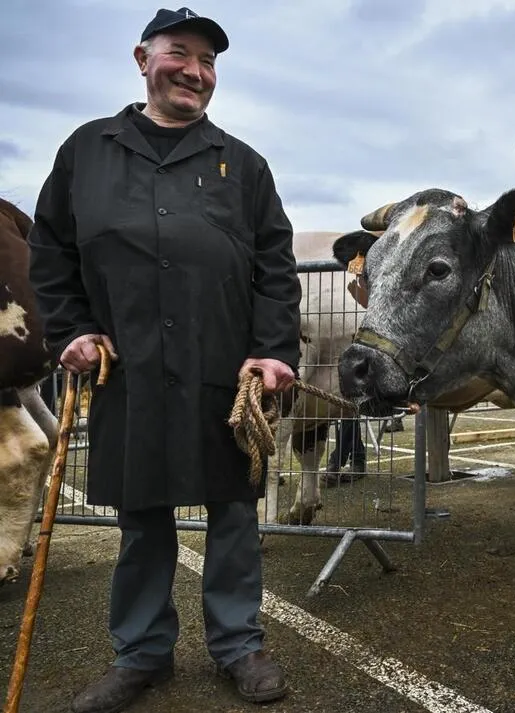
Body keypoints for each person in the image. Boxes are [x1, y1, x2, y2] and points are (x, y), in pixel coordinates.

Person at [27, 7, 301, 712]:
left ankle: (238, 644)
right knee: (141, 515)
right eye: (180, 53)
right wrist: (72, 330)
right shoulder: (86, 151)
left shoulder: (243, 164)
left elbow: (275, 267)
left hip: (223, 369)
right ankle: (142, 653)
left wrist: (272, 350)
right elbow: (51, 252)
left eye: (209, 61)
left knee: (233, 512)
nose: (196, 71)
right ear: (142, 58)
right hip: (129, 368)